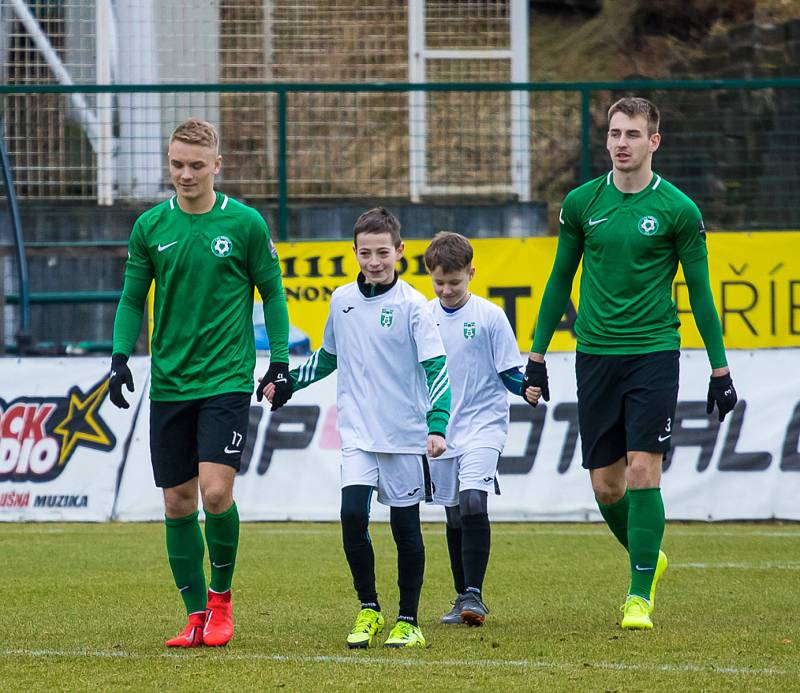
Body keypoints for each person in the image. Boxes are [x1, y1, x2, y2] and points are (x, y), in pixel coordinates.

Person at [522, 97, 738, 630]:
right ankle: (650, 555)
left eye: (633, 134)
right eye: (615, 134)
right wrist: (537, 354)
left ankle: (638, 593)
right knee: (606, 486)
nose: (621, 143)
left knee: (644, 469)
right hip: (594, 355)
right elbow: (558, 282)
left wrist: (720, 368)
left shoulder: (679, 210)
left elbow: (701, 294)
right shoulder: (580, 203)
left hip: (654, 353)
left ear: (653, 142)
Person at [108, 118, 292, 648]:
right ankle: (193, 616)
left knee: (215, 494)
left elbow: (273, 294)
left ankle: (221, 601)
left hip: (226, 379)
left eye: (195, 165)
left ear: (217, 165)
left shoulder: (246, 223)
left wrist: (277, 362)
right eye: (176, 165)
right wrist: (121, 357)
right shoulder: (150, 227)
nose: (184, 175)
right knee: (177, 503)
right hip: (169, 383)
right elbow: (130, 298)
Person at [266, 207, 450, 648]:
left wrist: (437, 425)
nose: (374, 261)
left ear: (400, 252)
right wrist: (288, 382)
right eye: (365, 253)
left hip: (404, 438)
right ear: (354, 252)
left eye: (382, 252)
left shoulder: (414, 308)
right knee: (352, 517)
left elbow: (437, 368)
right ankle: (369, 608)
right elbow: (329, 356)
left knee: (406, 531)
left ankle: (409, 620)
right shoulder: (342, 299)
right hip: (358, 436)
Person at [423, 231, 524, 627]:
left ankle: (474, 596)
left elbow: (509, 372)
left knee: (473, 503)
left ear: (471, 274)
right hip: (441, 429)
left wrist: (528, 388)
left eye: (455, 282)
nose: (447, 290)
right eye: (439, 282)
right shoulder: (424, 317)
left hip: (484, 425)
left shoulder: (490, 316)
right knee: (452, 515)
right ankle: (461, 595)